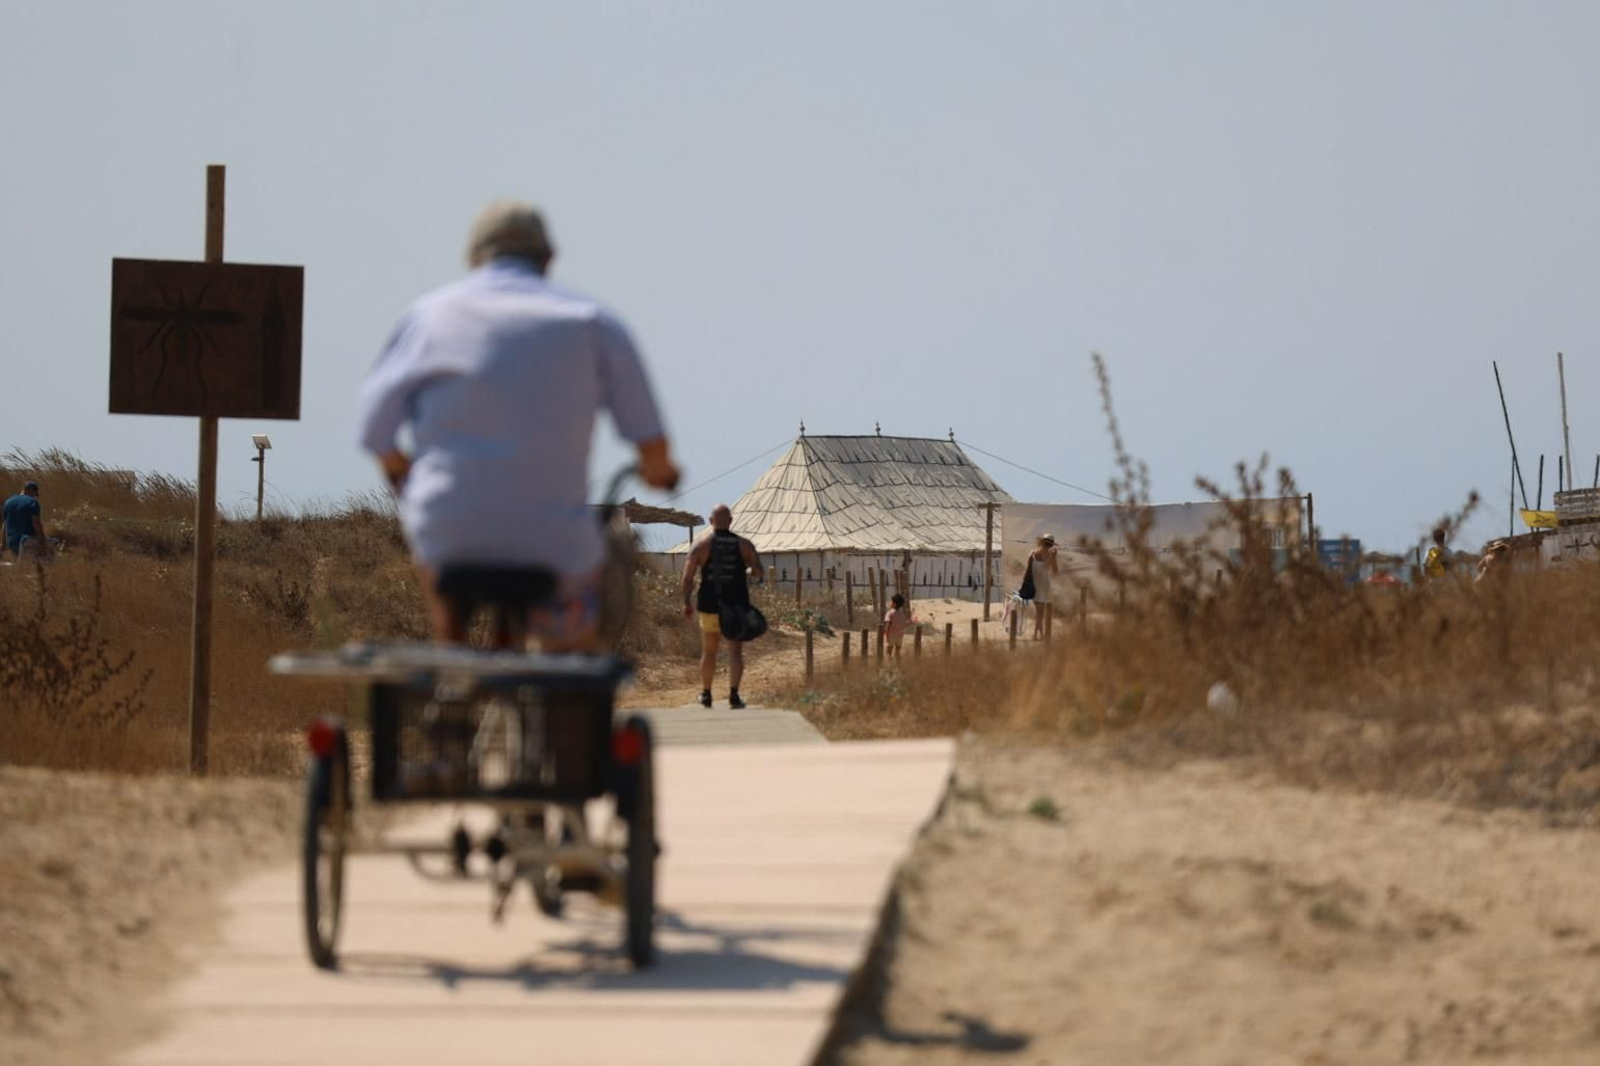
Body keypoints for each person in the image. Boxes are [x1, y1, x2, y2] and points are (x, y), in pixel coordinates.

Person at [355, 200, 679, 649]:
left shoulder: (428, 317)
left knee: (438, 555)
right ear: (548, 259)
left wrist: (398, 471)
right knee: (572, 657)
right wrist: (660, 470)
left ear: (473, 258)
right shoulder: (593, 322)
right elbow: (651, 440)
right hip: (552, 538)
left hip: (450, 529)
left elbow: (375, 430)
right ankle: (562, 688)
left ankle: (452, 660)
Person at [680, 504, 764, 708]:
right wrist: (749, 573)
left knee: (709, 651)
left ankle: (707, 694)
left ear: (710, 522)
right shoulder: (744, 545)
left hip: (709, 605)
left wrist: (686, 603)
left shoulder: (700, 546)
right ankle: (734, 695)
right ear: (731, 521)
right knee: (735, 651)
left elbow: (687, 578)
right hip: (736, 606)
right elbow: (758, 571)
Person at [3, 481, 49, 560]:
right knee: (51, 548)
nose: (34, 496)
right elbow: (36, 523)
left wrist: (3, 544)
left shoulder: (8, 502)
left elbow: (4, 526)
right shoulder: (32, 502)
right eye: (35, 494)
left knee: (22, 565)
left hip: (11, 541)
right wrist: (43, 543)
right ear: (33, 491)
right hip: (26, 541)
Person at [1025, 534, 1059, 639]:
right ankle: (1039, 634)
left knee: (1039, 611)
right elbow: (1055, 571)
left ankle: (1038, 634)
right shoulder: (1050, 554)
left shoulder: (1032, 553)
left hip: (1034, 584)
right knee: (1041, 611)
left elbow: (1028, 571)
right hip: (1044, 584)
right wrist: (1054, 558)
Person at [883, 593, 916, 658]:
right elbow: (904, 624)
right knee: (897, 652)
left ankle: (889, 666)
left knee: (888, 652)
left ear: (894, 603)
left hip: (891, 634)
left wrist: (886, 634)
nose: (890, 603)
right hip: (900, 635)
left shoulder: (890, 613)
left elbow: (888, 624)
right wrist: (911, 621)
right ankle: (898, 665)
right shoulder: (902, 614)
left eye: (891, 601)